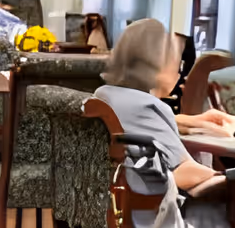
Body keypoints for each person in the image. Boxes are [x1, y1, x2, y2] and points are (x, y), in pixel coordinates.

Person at [95, 18, 226, 197]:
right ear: (157, 64)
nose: (179, 73)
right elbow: (182, 172)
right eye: (177, 63)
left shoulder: (105, 95)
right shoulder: (147, 106)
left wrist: (192, 122)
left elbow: (144, 125)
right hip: (157, 211)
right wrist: (233, 177)